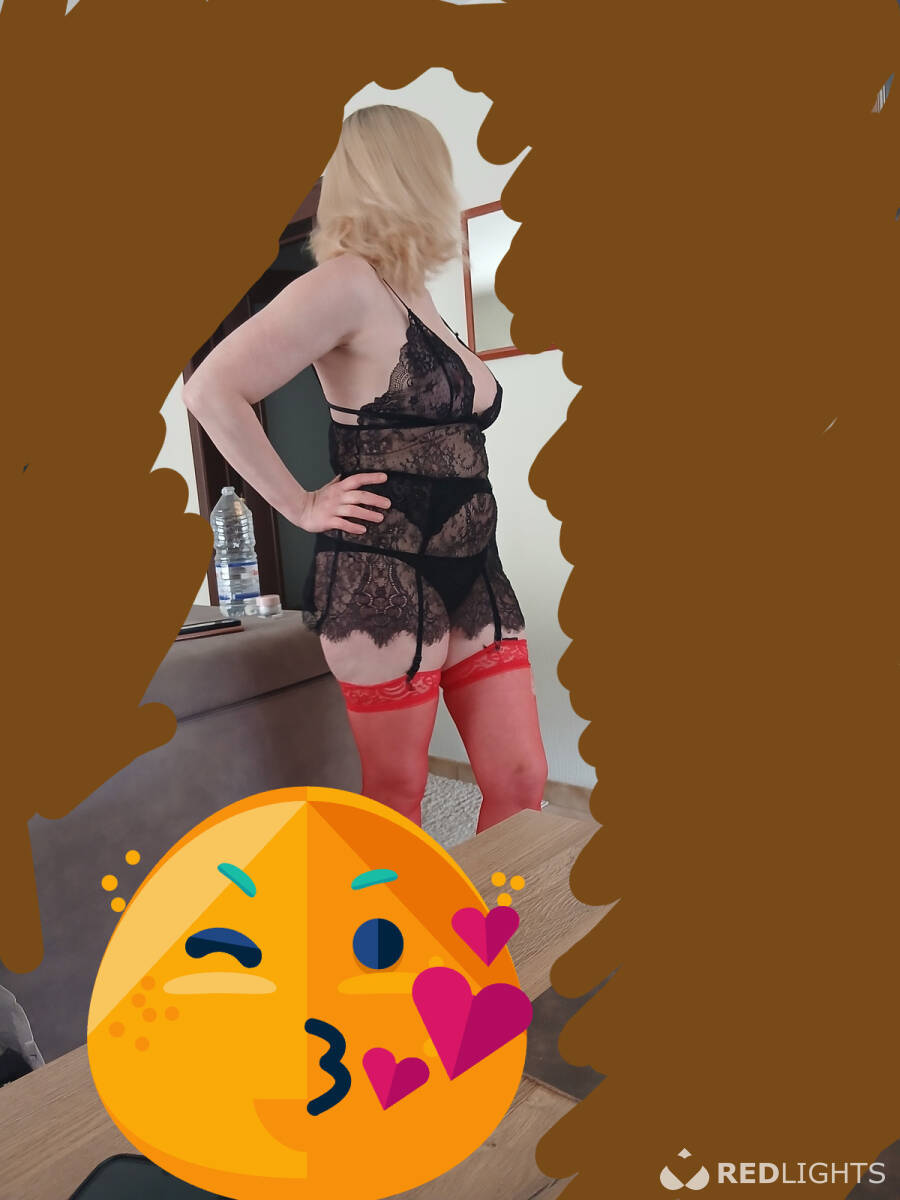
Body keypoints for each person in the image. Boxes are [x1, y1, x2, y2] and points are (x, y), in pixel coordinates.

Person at [184, 103, 547, 831]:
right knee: (395, 798)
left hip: (475, 567)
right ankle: (387, 914)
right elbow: (211, 389)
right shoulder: (346, 283)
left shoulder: (416, 293)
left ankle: (488, 913)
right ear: (412, 174)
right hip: (383, 572)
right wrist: (301, 504)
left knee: (520, 777)